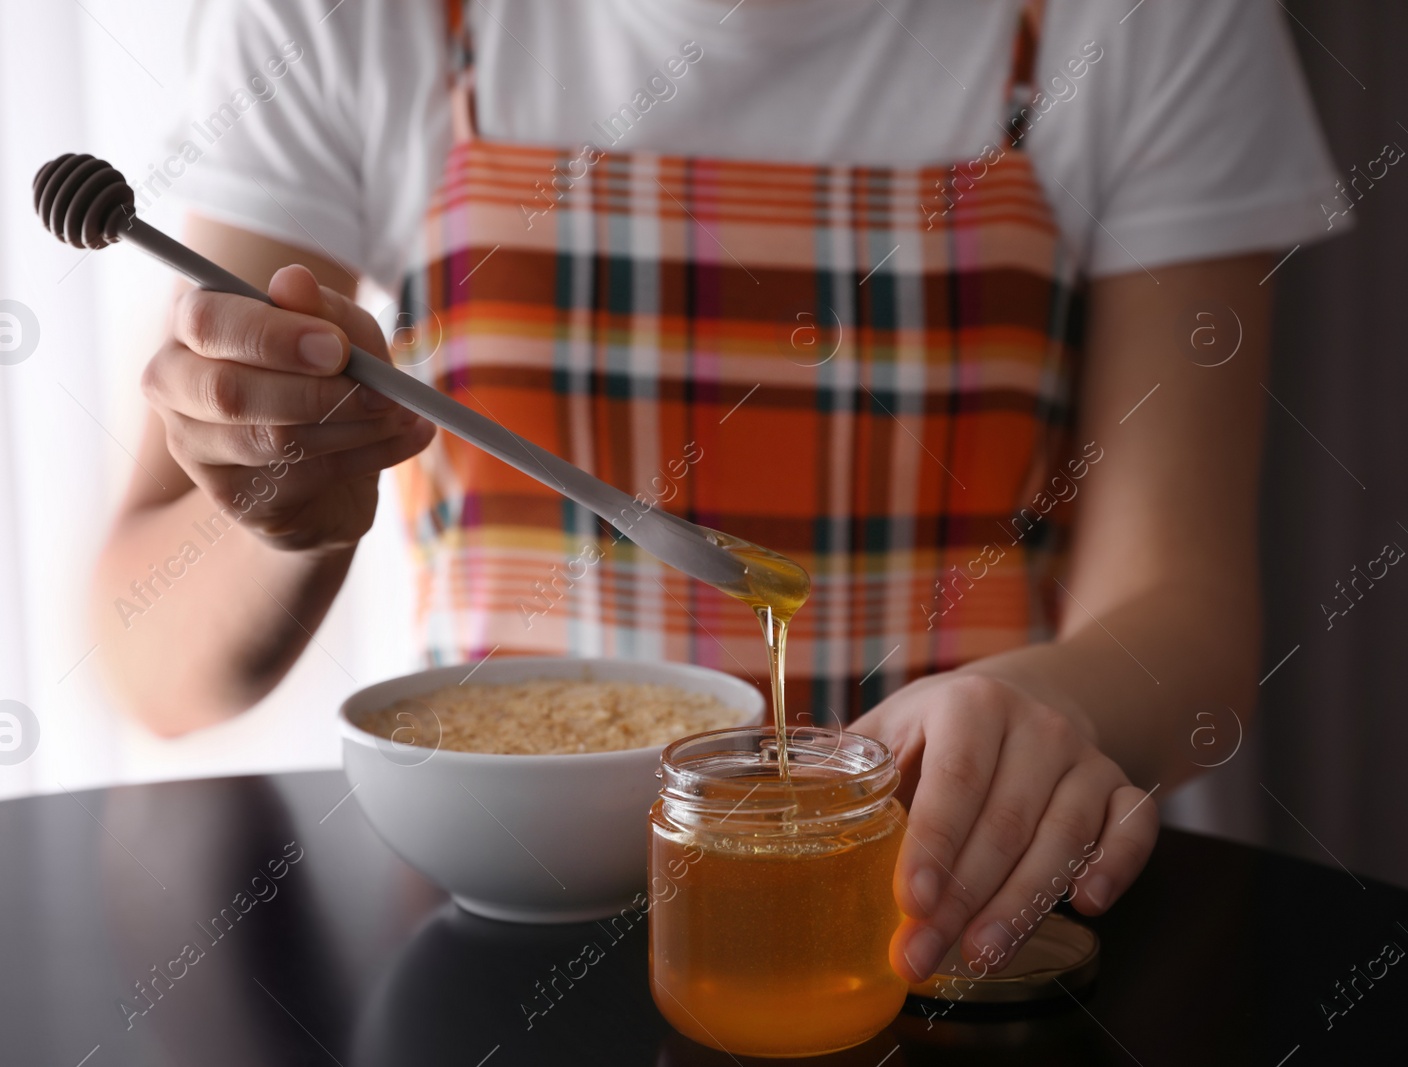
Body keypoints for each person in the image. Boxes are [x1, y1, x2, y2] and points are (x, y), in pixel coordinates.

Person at [92, 0, 1346, 983]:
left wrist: (1034, 704)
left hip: (938, 909)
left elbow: (1187, 612)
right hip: (493, 938)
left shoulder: (1146, 17)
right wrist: (285, 515)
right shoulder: (345, 16)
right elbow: (150, 658)